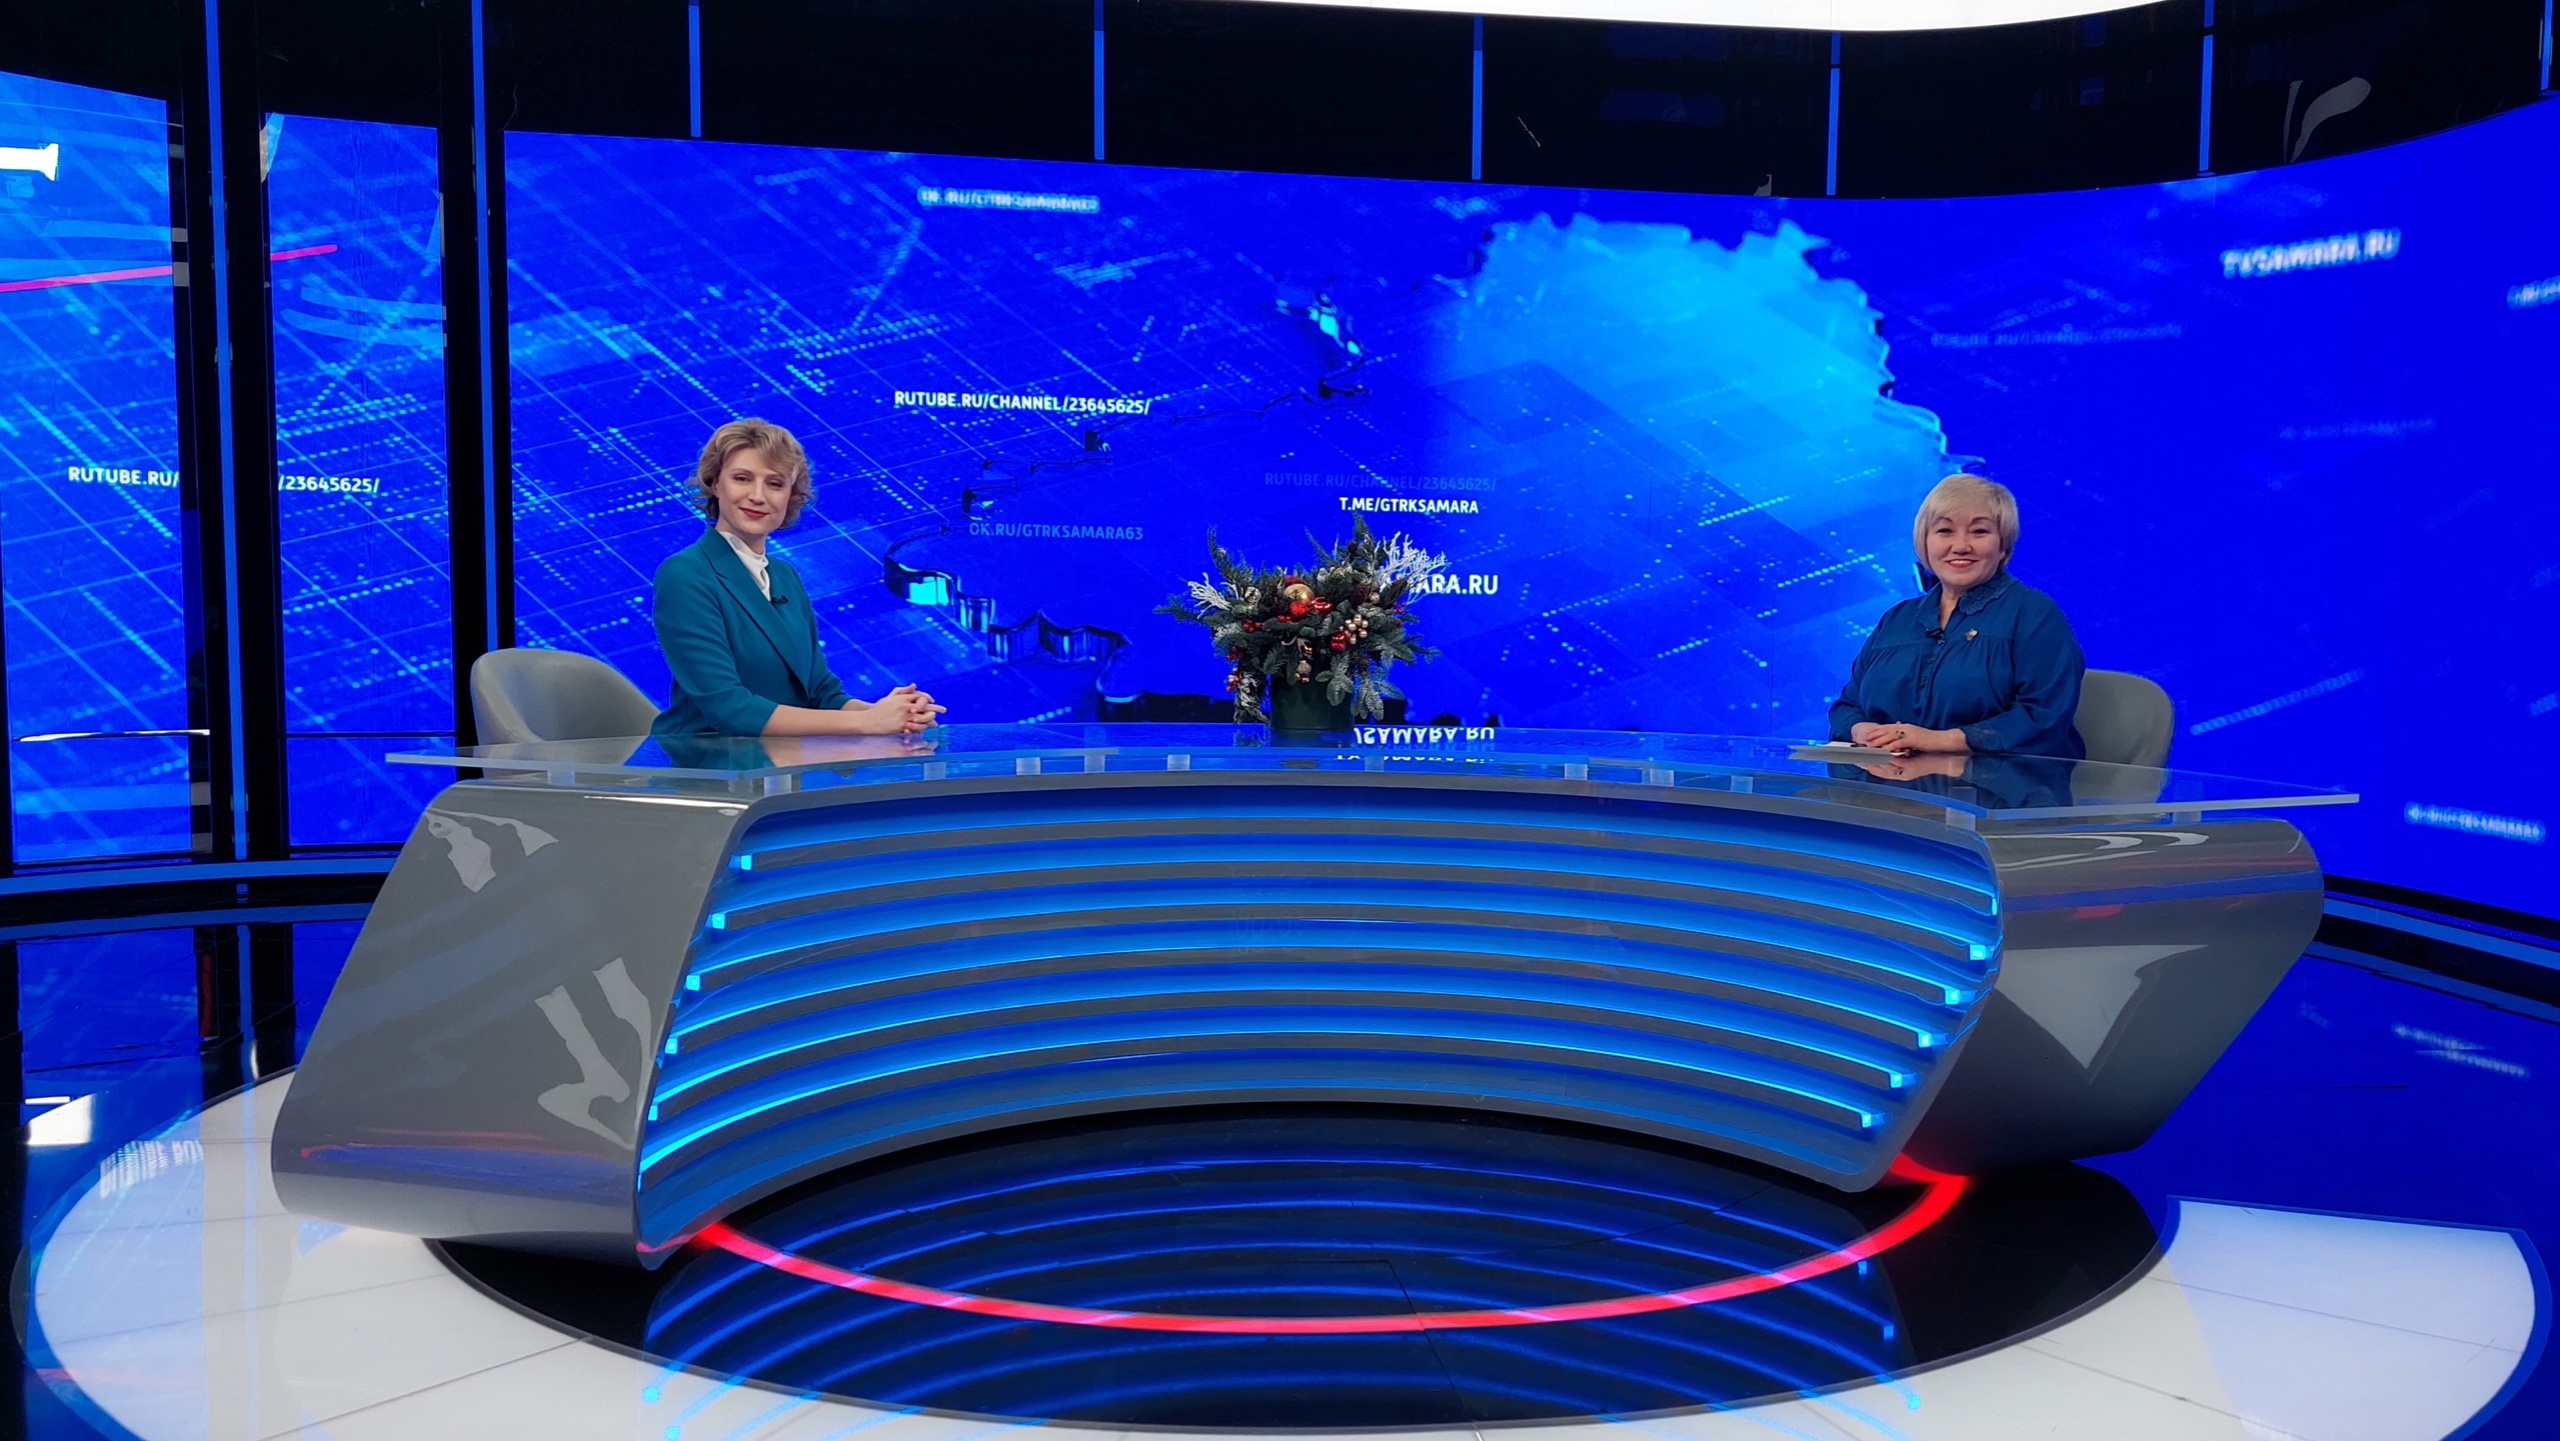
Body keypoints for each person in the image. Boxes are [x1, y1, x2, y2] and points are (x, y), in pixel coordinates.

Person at [651, 419, 943, 740]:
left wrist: (892, 715)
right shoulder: (685, 574)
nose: (758, 496)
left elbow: (821, 693)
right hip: (703, 761)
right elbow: (729, 708)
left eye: (775, 484)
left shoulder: (784, 575)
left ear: (791, 496)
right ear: (715, 484)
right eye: (742, 479)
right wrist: (867, 723)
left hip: (781, 759)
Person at [1827, 473, 2084, 759]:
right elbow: (1848, 706)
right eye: (1945, 531)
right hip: (1889, 778)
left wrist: (1936, 740)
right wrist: (1862, 730)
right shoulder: (1896, 619)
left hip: (2001, 782)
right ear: (1925, 543)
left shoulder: (2035, 615)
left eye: (1979, 532)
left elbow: (2043, 717)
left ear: (2003, 547)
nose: (1961, 546)